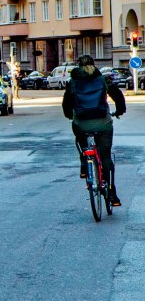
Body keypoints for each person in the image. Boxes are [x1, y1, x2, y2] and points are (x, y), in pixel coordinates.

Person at [62, 54, 126, 206]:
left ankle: (84, 162)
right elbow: (118, 96)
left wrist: (70, 116)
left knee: (80, 137)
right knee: (105, 157)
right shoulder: (102, 80)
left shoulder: (72, 82)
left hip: (81, 124)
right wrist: (120, 111)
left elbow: (66, 104)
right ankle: (111, 192)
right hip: (103, 124)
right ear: (94, 65)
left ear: (78, 66)